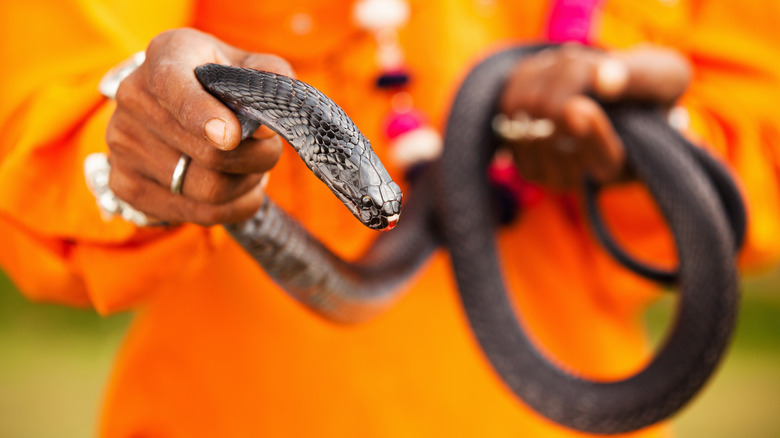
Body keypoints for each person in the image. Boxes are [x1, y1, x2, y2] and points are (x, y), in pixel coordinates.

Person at [1, 0, 779, 436]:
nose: (385, 218)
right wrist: (134, 143)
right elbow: (33, 124)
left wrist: (649, 138)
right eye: (372, 204)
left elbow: (762, 150)